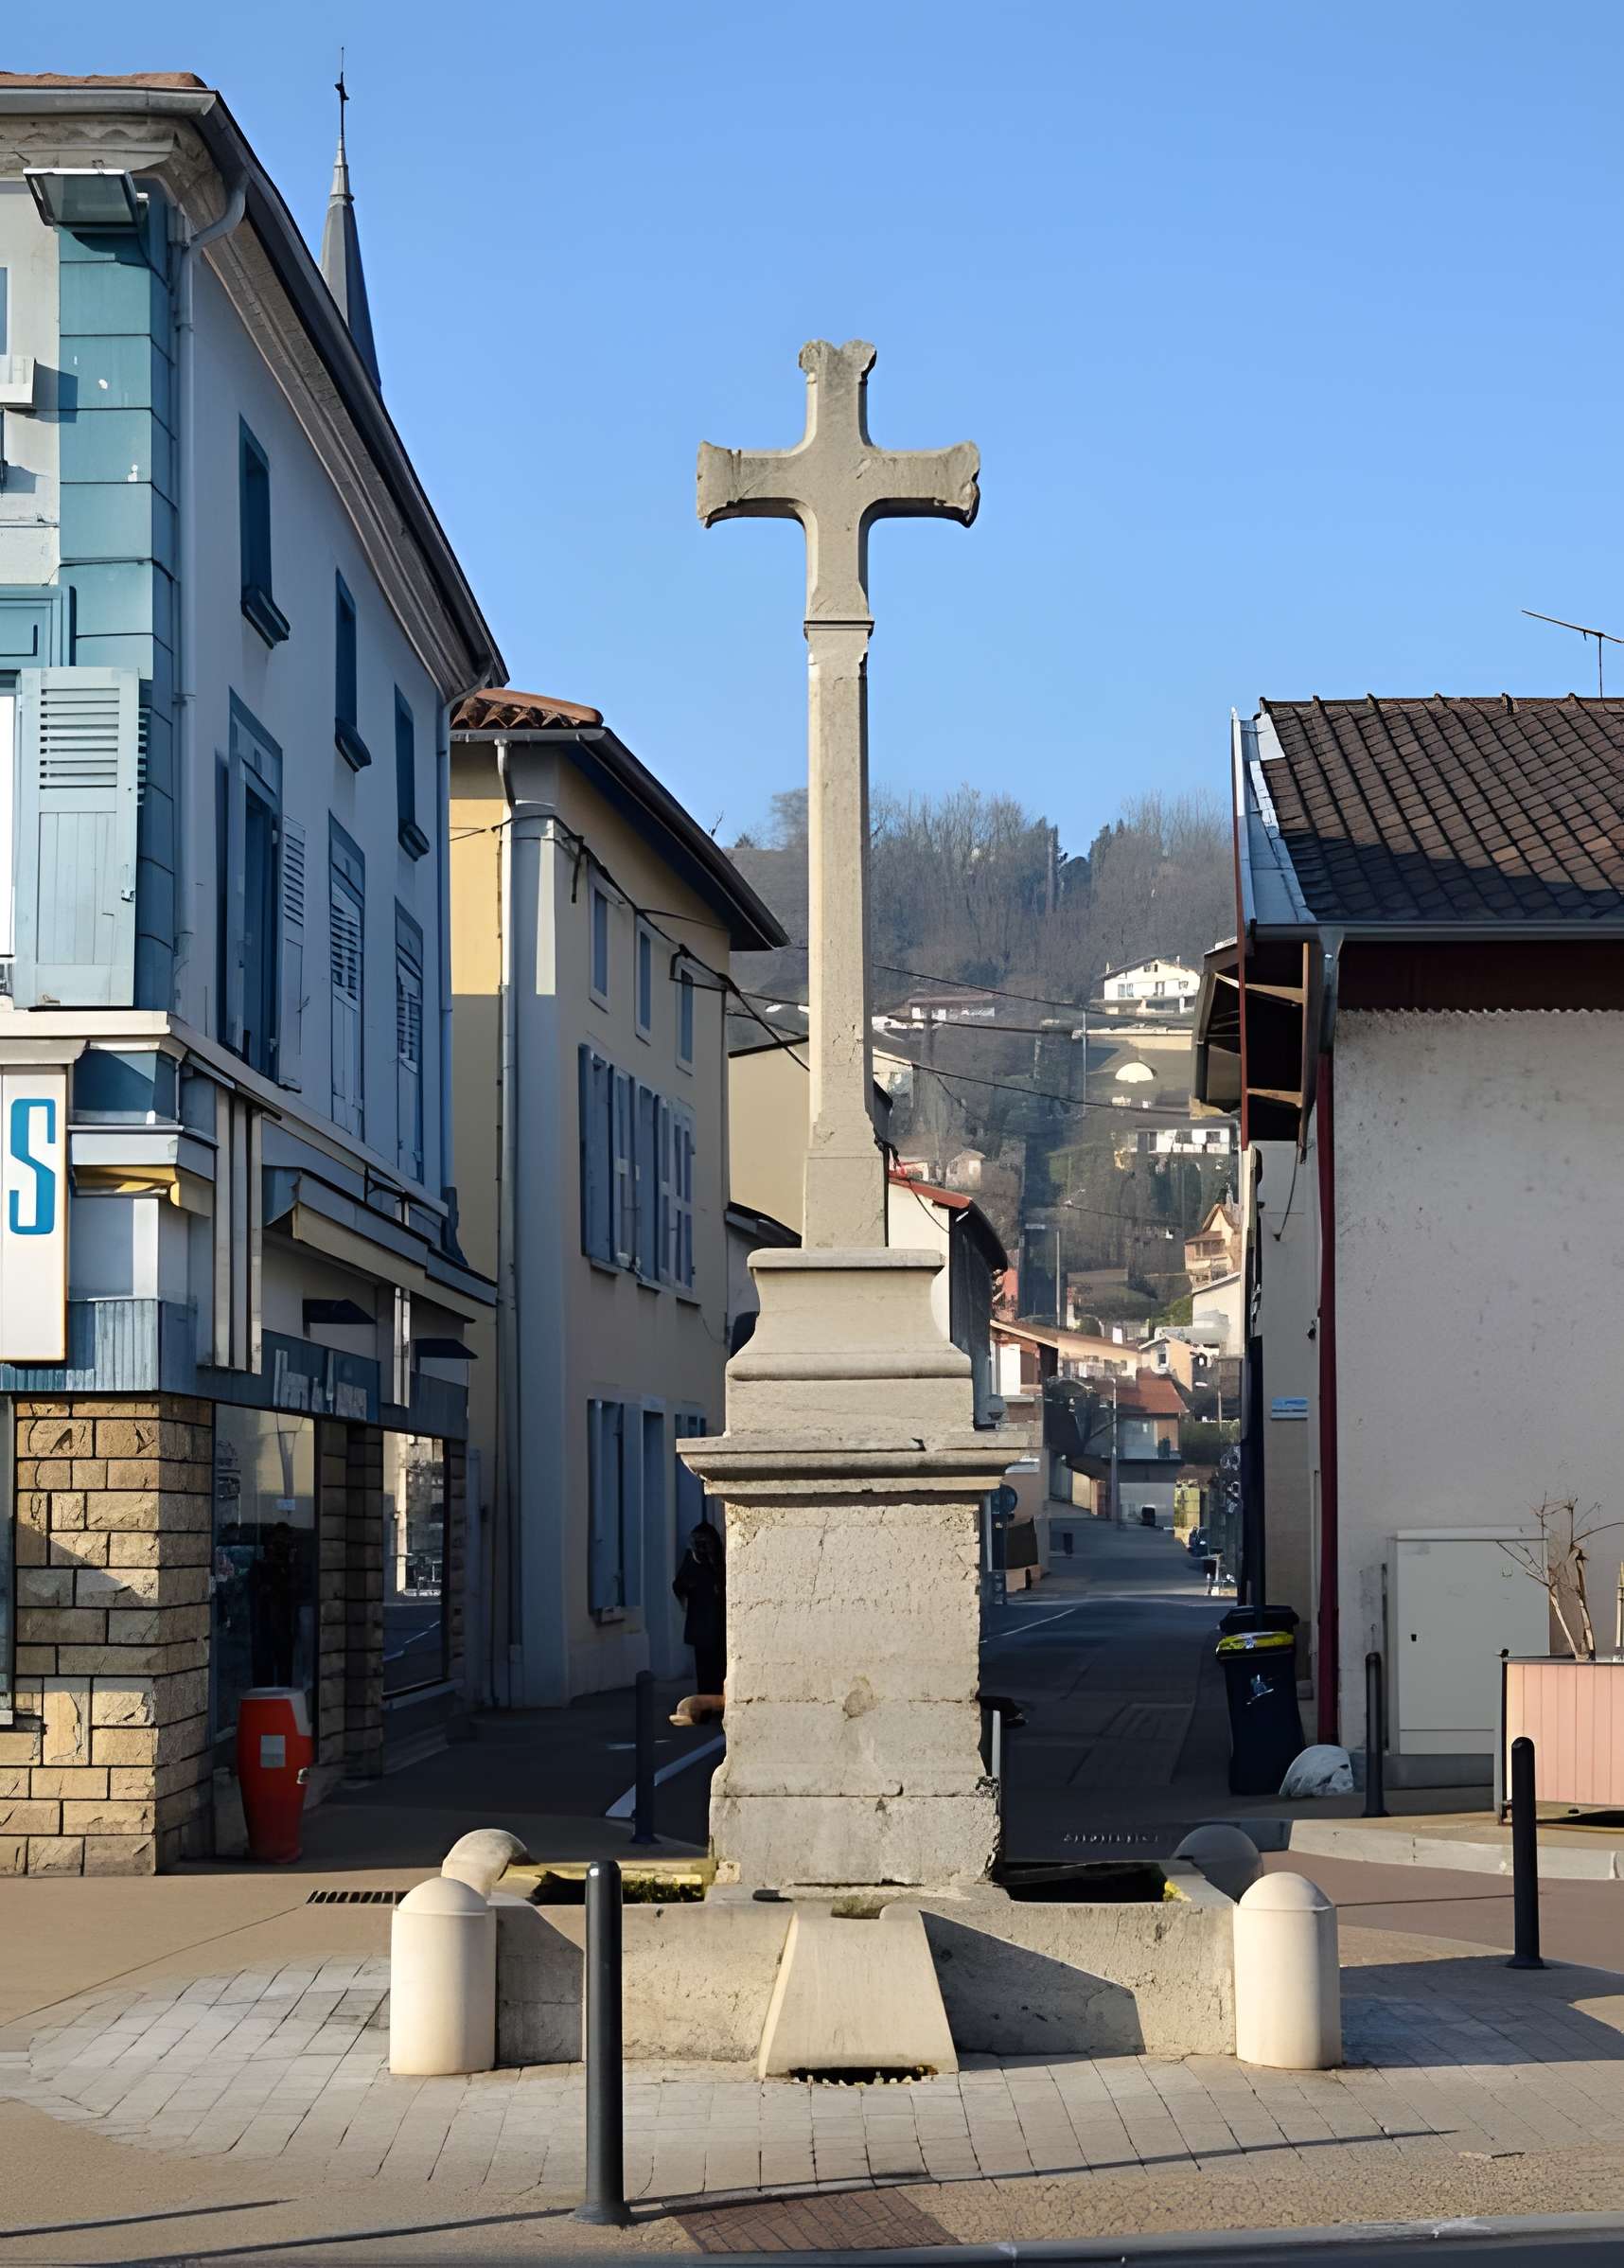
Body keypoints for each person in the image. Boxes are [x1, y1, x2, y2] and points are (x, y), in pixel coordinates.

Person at [672, 1520, 726, 1696]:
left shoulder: (719, 1561)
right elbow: (679, 1586)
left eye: (705, 1543)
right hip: (703, 1625)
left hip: (718, 1625)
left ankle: (715, 1704)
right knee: (705, 1670)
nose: (703, 1547)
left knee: (718, 1669)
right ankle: (706, 1706)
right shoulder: (693, 1561)